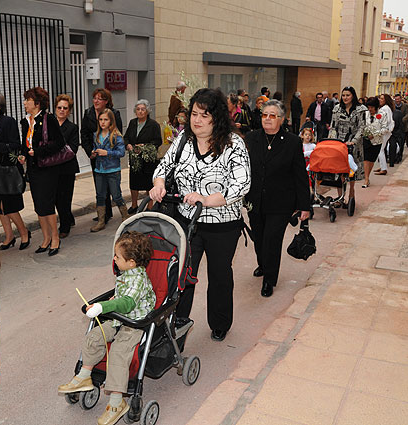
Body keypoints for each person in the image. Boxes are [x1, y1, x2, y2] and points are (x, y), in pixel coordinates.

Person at [150, 88, 251, 341]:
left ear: (216, 118)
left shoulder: (233, 143)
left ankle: (219, 323)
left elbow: (242, 183)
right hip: (188, 223)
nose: (197, 120)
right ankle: (176, 328)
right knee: (182, 277)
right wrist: (159, 183)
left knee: (219, 275)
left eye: (204, 115)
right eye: (194, 114)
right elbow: (164, 165)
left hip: (222, 225)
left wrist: (206, 200)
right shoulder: (184, 140)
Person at [58, 231, 155, 425]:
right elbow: (120, 295)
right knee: (94, 336)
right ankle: (85, 375)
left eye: (117, 256)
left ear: (132, 262)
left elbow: (127, 302)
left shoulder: (137, 280)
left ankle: (117, 402)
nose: (114, 259)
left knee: (118, 352)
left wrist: (103, 307)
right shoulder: (126, 273)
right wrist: (109, 301)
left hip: (135, 325)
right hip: (120, 320)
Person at [245, 99, 310, 298]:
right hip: (254, 199)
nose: (267, 119)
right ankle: (263, 265)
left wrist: (304, 206)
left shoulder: (292, 142)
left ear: (281, 119)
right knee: (258, 237)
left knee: (272, 240)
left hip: (280, 202)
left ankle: (269, 279)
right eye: (264, 115)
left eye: (272, 115)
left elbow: (300, 176)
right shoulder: (251, 138)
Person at [20, 87, 66, 256]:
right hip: (33, 169)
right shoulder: (25, 121)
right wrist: (23, 155)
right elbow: (25, 144)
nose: (25, 103)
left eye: (27, 100)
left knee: (47, 205)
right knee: (39, 205)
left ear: (37, 103)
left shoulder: (49, 119)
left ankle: (55, 238)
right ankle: (45, 238)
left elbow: (59, 142)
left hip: (47, 169)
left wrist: (38, 152)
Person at [0, 92, 30, 251]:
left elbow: (15, 145)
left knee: (9, 205)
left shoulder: (8, 122)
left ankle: (24, 233)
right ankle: (9, 236)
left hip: (6, 169)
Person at [81, 89, 123, 223]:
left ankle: (121, 215)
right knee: (100, 189)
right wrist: (90, 152)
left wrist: (108, 151)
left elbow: (118, 134)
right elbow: (85, 135)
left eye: (100, 99)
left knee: (115, 191)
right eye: (95, 98)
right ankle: (103, 215)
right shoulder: (88, 113)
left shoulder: (114, 113)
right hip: (96, 157)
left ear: (106, 101)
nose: (96, 101)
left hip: (110, 159)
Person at [90, 109, 129, 232]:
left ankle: (125, 216)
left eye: (105, 119)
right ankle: (101, 221)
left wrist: (107, 153)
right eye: (101, 119)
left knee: (116, 195)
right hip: (99, 170)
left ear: (111, 121)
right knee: (100, 196)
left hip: (113, 170)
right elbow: (96, 149)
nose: (102, 122)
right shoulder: (96, 135)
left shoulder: (116, 136)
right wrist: (94, 153)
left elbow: (121, 152)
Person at [328, 86, 367, 206]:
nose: (345, 98)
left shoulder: (360, 109)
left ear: (353, 96)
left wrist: (354, 141)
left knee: (352, 169)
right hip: (339, 143)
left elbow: (362, 127)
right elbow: (333, 126)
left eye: (348, 95)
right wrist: (332, 140)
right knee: (338, 169)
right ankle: (340, 196)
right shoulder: (337, 109)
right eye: (343, 95)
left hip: (354, 143)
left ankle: (351, 192)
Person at [125, 99, 162, 214]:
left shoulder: (153, 125)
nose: (140, 111)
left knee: (148, 184)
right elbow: (126, 137)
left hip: (148, 160)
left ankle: (150, 206)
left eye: (143, 109)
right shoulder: (132, 123)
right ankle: (134, 205)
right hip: (135, 159)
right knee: (134, 183)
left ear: (147, 111)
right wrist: (128, 145)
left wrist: (144, 147)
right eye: (138, 109)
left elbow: (158, 141)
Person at [54, 94, 80, 239]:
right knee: (56, 197)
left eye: (65, 108)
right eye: (59, 107)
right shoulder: (50, 125)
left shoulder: (72, 127)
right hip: (52, 168)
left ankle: (64, 226)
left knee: (65, 197)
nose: (62, 110)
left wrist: (54, 152)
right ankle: (68, 218)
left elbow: (73, 148)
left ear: (69, 111)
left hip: (67, 168)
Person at [361, 96, 392, 187]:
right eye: (368, 107)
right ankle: (366, 179)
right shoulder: (365, 114)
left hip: (377, 141)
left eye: (371, 107)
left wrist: (374, 134)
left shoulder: (382, 114)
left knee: (371, 160)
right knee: (366, 159)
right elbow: (362, 125)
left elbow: (385, 128)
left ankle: (367, 175)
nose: (370, 109)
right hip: (366, 140)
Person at [374, 94, 395, 176]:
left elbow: (387, 120)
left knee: (380, 150)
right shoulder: (385, 108)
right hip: (386, 131)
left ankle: (383, 169)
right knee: (381, 149)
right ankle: (382, 166)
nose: (380, 100)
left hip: (384, 131)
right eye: (380, 98)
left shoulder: (385, 108)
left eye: (382, 99)